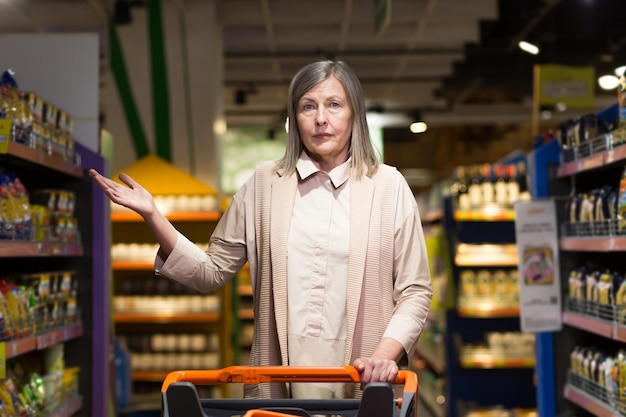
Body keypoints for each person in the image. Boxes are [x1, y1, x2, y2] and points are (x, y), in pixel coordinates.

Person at [89, 60, 432, 400]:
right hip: (276, 386)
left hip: (362, 385)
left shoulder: (389, 186)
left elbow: (415, 292)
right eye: (307, 107)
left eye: (334, 105)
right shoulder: (265, 184)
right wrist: (153, 215)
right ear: (293, 118)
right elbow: (210, 272)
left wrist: (383, 357)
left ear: (354, 114)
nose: (321, 119)